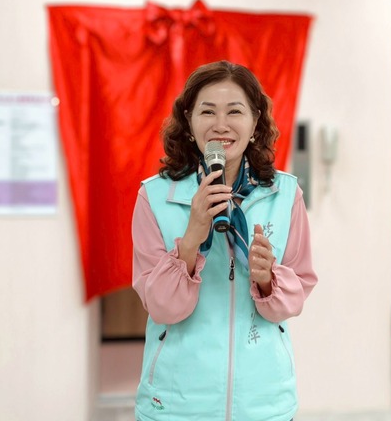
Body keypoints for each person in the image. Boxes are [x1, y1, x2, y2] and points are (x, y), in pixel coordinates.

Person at [131, 60, 317, 421]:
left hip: (264, 403)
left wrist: (268, 280)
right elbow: (162, 307)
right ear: (188, 121)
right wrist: (191, 240)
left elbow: (296, 295)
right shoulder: (155, 197)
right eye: (207, 111)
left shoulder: (285, 194)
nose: (220, 125)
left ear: (255, 122)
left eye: (234, 111)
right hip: (177, 404)